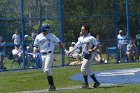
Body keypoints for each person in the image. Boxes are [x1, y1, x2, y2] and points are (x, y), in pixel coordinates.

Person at [33, 24, 65, 91]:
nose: (48, 31)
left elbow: (59, 42)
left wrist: (65, 50)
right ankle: (52, 86)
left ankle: (51, 85)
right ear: (43, 30)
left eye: (48, 30)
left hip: (49, 54)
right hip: (42, 55)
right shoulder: (38, 37)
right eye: (46, 30)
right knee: (45, 71)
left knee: (47, 69)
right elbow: (35, 46)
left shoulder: (51, 35)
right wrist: (34, 53)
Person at [68, 24, 100, 88]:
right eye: (81, 30)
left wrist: (92, 50)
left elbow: (97, 45)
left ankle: (86, 84)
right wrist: (70, 51)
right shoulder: (81, 38)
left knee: (83, 69)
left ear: (87, 30)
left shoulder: (91, 38)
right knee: (88, 71)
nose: (81, 31)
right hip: (84, 55)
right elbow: (76, 46)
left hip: (89, 55)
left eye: (83, 30)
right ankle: (96, 82)